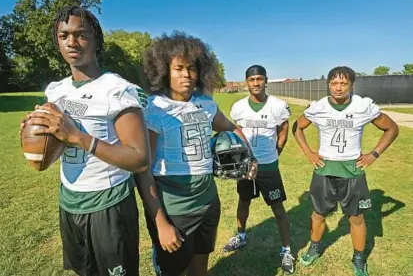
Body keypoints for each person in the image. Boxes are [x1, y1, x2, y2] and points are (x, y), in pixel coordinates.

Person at [21, 6, 151, 276]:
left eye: (81, 34)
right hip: (69, 200)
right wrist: (38, 130)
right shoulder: (56, 90)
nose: (72, 42)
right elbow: (56, 139)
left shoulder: (118, 90)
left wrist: (77, 137)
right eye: (63, 35)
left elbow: (139, 159)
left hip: (108, 204)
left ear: (96, 41)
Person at [141, 31, 258, 276]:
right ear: (164, 70)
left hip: (207, 200)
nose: (186, 74)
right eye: (178, 68)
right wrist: (160, 223)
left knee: (200, 266)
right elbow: (143, 170)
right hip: (174, 205)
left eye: (192, 68)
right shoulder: (154, 108)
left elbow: (231, 128)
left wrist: (250, 157)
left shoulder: (205, 104)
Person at [293, 66, 399, 276]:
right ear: (328, 84)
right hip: (324, 170)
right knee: (318, 214)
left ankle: (359, 258)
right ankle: (315, 246)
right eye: (334, 83)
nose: (338, 88)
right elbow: (297, 127)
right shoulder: (319, 107)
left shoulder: (363, 106)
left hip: (352, 171)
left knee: (356, 218)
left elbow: (392, 128)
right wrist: (309, 152)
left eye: (343, 83)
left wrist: (374, 154)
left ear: (351, 85)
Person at [223, 65, 295, 274]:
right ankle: (241, 236)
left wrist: (276, 153)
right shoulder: (238, 107)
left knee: (278, 207)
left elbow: (283, 130)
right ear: (247, 82)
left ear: (266, 80)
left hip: (268, 165)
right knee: (243, 200)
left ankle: (286, 250)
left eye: (259, 79)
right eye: (252, 79)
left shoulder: (278, 106)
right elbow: (237, 131)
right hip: (245, 165)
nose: (256, 83)